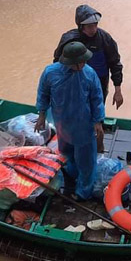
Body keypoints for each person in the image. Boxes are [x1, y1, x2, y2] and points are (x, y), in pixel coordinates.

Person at [36, 41, 105, 201]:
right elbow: (43, 93)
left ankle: (83, 192)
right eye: (79, 62)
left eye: (84, 61)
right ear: (69, 62)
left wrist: (98, 121)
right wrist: (41, 115)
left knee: (86, 161)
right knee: (67, 152)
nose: (83, 64)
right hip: (62, 122)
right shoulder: (50, 73)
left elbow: (97, 99)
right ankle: (71, 175)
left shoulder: (89, 74)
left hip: (83, 124)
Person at [53, 5, 124, 117]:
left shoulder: (105, 38)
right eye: (90, 26)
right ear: (81, 27)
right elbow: (57, 64)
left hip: (99, 83)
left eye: (95, 25)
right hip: (74, 82)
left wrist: (118, 90)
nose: (94, 29)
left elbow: (115, 63)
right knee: (74, 111)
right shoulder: (69, 39)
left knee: (97, 110)